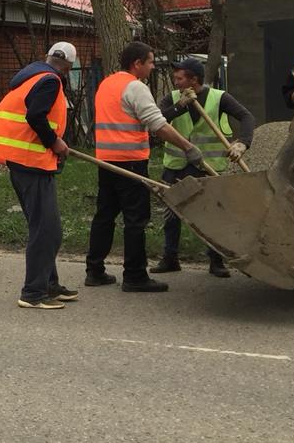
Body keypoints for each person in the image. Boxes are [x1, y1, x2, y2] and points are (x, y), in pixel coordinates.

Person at [85, 42, 205, 293]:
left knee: (104, 215)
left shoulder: (106, 84)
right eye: (150, 62)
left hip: (106, 160)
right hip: (130, 161)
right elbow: (157, 124)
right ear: (137, 64)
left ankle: (94, 271)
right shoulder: (135, 87)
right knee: (136, 219)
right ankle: (135, 276)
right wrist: (187, 147)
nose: (152, 66)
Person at [0, 41, 78, 310]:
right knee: (47, 230)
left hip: (26, 163)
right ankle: (34, 292)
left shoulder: (32, 76)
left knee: (44, 228)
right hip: (31, 163)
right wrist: (54, 142)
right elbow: (36, 116)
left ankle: (48, 284)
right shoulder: (50, 81)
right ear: (69, 66)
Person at [151, 58, 256, 279]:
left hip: (209, 167)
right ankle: (170, 258)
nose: (175, 82)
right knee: (171, 214)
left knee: (213, 215)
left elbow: (246, 117)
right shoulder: (172, 98)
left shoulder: (219, 98)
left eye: (179, 78)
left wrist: (242, 142)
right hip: (177, 165)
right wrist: (180, 106)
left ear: (194, 80)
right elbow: (157, 122)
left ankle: (216, 260)